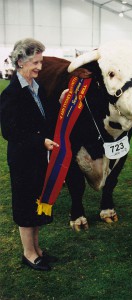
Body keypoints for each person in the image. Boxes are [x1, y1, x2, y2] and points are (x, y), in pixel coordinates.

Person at [0, 38, 60, 271]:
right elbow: (10, 132)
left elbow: (45, 116)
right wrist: (40, 141)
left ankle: (37, 249)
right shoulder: (10, 95)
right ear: (21, 61)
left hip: (37, 158)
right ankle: (28, 253)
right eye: (35, 62)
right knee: (25, 206)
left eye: (40, 62)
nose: (39, 67)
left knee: (36, 203)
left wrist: (61, 101)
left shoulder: (37, 88)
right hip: (23, 159)